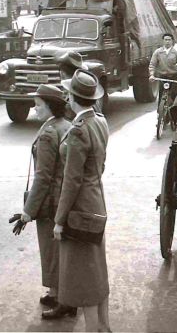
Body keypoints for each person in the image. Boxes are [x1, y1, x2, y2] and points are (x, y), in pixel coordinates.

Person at [54, 69, 111, 332]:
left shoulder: (78, 130)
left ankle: (93, 330)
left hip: (80, 209)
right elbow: (99, 165)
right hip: (96, 201)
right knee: (97, 267)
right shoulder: (99, 121)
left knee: (85, 275)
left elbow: (71, 180)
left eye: (67, 93)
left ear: (72, 97)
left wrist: (59, 220)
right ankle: (103, 325)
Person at [20, 85, 73, 318]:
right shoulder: (65, 125)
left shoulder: (49, 132)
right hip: (63, 198)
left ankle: (63, 300)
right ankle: (55, 292)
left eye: (38, 105)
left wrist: (27, 211)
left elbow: (43, 177)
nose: (34, 109)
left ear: (50, 106)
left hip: (50, 202)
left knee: (51, 249)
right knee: (58, 248)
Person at [149, 33, 177, 107]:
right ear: (163, 41)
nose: (167, 41)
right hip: (162, 77)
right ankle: (159, 113)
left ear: (172, 41)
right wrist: (152, 75)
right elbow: (152, 64)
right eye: (166, 40)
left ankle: (174, 114)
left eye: (169, 40)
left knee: (175, 96)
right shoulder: (158, 52)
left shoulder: (176, 53)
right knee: (161, 95)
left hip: (174, 77)